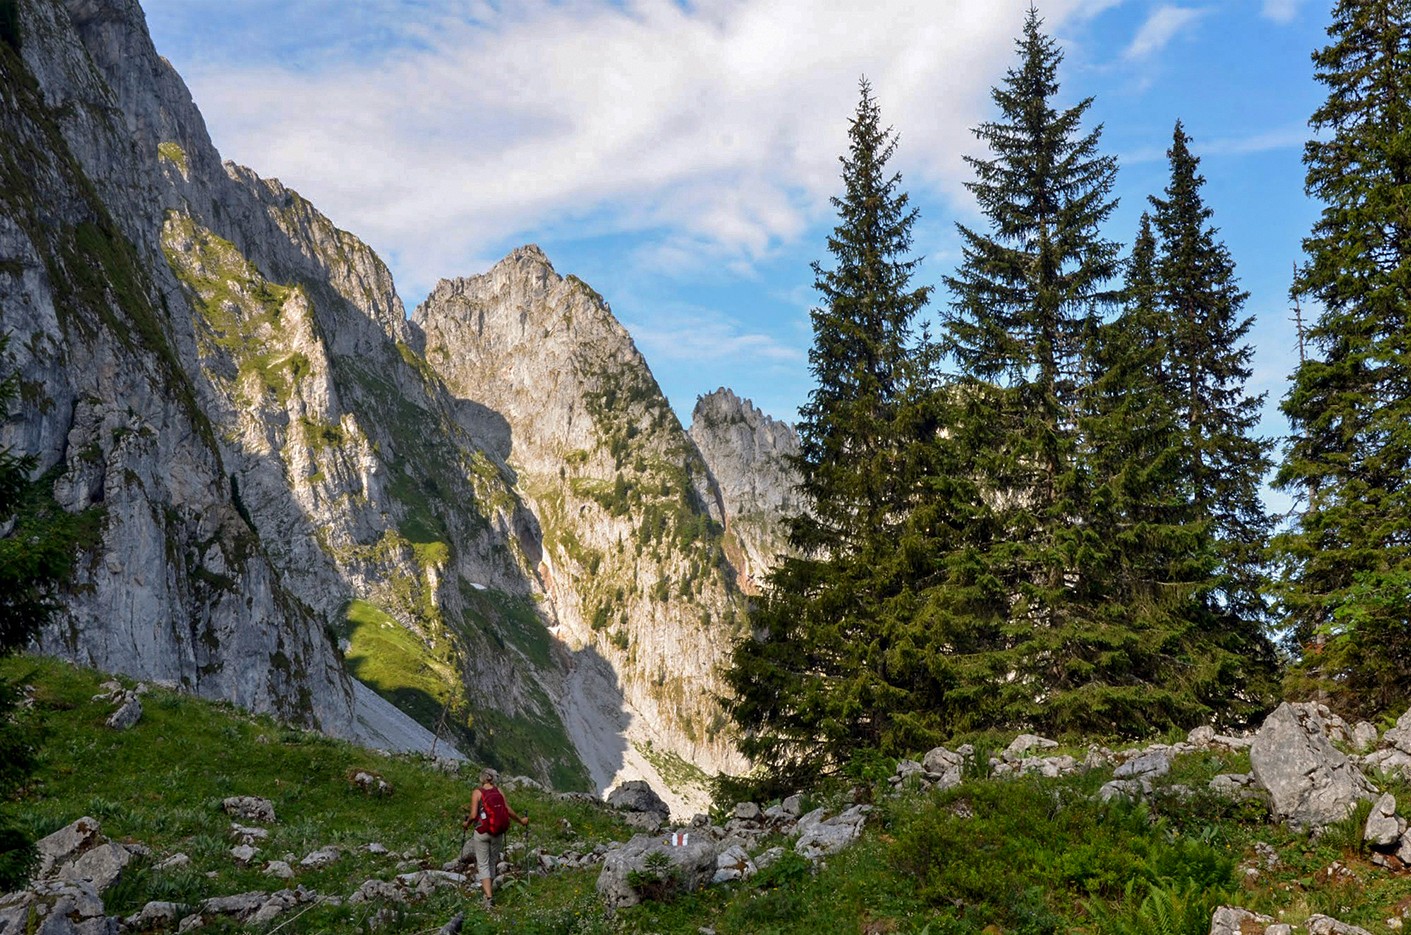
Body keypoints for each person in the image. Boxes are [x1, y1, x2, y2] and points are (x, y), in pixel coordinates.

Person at [463, 768, 528, 910]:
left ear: (482, 779)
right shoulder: (499, 791)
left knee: (483, 864)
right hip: (497, 832)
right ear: (492, 779)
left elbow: (474, 815)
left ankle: (488, 898)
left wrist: (466, 824)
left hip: (482, 832)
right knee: (492, 862)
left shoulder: (477, 792)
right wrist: (521, 821)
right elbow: (507, 809)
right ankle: (489, 893)